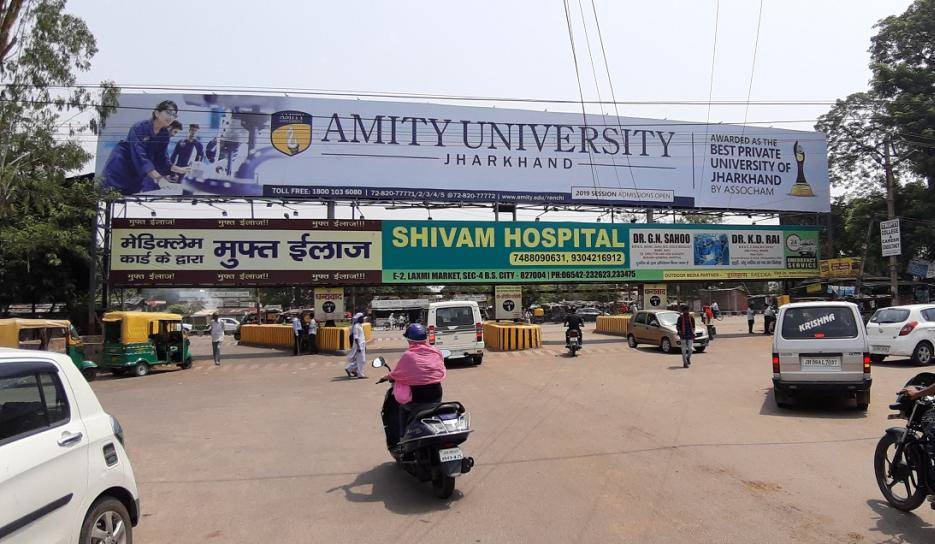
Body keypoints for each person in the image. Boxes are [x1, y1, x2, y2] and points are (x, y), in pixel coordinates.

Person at [380, 323, 447, 448]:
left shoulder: (409, 356)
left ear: (409, 340)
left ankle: (402, 440)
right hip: (436, 395)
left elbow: (398, 373)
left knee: (402, 409)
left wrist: (386, 377)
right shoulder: (436, 351)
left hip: (418, 398)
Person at [101, 100, 188, 195]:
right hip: (120, 168)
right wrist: (159, 179)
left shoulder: (164, 135)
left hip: (136, 174)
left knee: (131, 198)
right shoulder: (139, 128)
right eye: (168, 113)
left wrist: (179, 169)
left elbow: (162, 159)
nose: (171, 117)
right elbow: (140, 156)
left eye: (174, 115)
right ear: (157, 113)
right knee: (109, 198)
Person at [345, 313, 368, 378]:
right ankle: (360, 374)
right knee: (362, 360)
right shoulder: (356, 326)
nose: (363, 319)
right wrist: (358, 347)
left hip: (362, 345)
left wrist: (364, 346)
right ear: (359, 319)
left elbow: (361, 337)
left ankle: (349, 369)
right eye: (362, 318)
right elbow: (356, 337)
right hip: (359, 345)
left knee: (360, 360)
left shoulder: (360, 325)